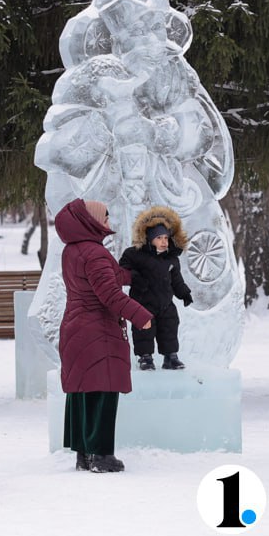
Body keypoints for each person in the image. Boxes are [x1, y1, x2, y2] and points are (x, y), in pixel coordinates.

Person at [56, 198, 155, 473]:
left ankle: (83, 454)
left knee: (81, 392)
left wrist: (133, 275)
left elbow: (104, 279)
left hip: (75, 327)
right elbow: (108, 294)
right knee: (103, 391)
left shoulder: (72, 251)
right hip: (97, 330)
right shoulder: (95, 253)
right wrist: (141, 316)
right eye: (106, 218)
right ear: (92, 221)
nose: (109, 223)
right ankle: (102, 456)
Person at [119, 205, 193, 370]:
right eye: (159, 238)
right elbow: (122, 270)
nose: (163, 242)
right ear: (148, 238)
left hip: (165, 303)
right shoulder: (135, 254)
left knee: (170, 326)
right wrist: (135, 278)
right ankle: (145, 357)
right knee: (144, 330)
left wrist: (184, 293)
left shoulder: (171, 259)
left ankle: (170, 356)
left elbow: (176, 280)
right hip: (143, 302)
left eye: (166, 238)